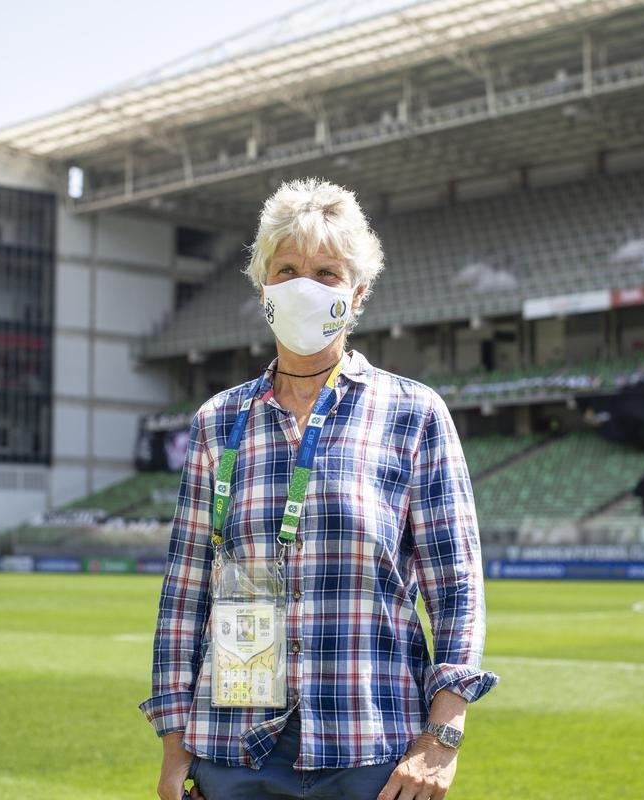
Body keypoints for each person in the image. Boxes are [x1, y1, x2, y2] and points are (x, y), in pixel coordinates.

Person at [141, 178, 497, 800]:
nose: (304, 285)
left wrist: (442, 738)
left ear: (358, 292)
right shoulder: (218, 422)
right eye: (287, 269)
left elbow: (457, 586)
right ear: (264, 287)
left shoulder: (413, 413)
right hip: (234, 748)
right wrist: (175, 748)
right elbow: (184, 595)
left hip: (371, 747)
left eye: (327, 272)